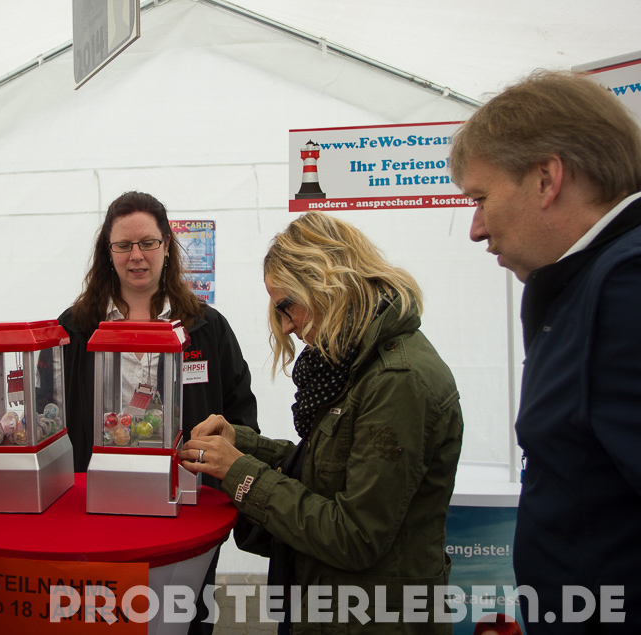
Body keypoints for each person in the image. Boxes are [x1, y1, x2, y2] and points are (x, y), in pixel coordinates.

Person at [181, 212, 463, 634]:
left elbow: (355, 535)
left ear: (327, 282)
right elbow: (329, 469)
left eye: (286, 306)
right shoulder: (355, 364)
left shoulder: (397, 381)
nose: (286, 325)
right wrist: (243, 443)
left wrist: (240, 473)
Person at [450, 70, 641, 632]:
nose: (475, 229)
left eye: (481, 199)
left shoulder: (626, 285)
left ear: (545, 178)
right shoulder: (586, 284)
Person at [58, 190, 258, 635]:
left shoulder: (206, 327)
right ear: (107, 252)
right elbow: (51, 411)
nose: (137, 256)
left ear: (167, 245)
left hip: (188, 507)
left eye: (148, 242)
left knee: (186, 617)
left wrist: (224, 481)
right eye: (123, 245)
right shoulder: (75, 327)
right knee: (105, 617)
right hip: (99, 504)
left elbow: (241, 416)